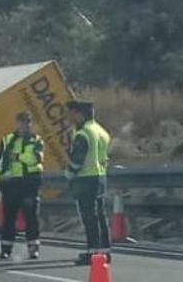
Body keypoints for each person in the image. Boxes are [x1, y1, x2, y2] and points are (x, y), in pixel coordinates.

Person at [0, 112, 44, 260]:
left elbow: (35, 159)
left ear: (30, 123)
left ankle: (33, 249)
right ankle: (6, 249)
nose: (24, 125)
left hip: (29, 183)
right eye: (21, 122)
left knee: (31, 217)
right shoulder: (7, 140)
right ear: (16, 123)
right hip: (10, 184)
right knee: (9, 217)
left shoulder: (36, 140)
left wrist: (17, 156)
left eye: (27, 122)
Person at [65, 100, 112, 265]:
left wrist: (69, 174)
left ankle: (93, 252)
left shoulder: (83, 133)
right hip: (100, 177)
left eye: (71, 113)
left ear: (79, 114)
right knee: (100, 215)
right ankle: (105, 251)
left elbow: (77, 161)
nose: (69, 117)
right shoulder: (100, 131)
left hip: (86, 180)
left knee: (89, 217)